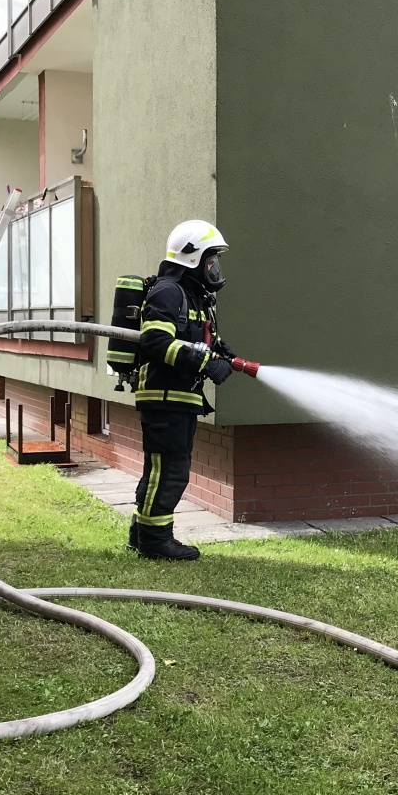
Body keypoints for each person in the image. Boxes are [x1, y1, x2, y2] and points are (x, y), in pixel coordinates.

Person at [129, 219, 242, 562]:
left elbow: (205, 340)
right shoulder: (168, 291)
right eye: (211, 260)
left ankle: (142, 533)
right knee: (170, 470)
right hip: (164, 397)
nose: (214, 268)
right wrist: (206, 364)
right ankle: (154, 540)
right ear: (192, 257)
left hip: (179, 397)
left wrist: (226, 357)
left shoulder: (195, 298)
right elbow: (155, 341)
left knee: (163, 468)